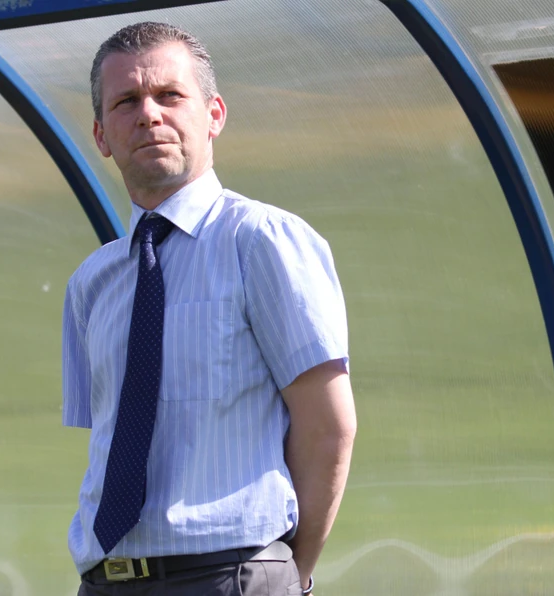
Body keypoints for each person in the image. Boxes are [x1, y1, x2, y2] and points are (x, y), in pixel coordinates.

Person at [62, 21, 356, 596]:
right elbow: (107, 448)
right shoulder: (91, 282)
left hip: (231, 575)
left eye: (170, 95)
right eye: (126, 102)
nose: (149, 114)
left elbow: (328, 426)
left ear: (214, 114)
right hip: (106, 581)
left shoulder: (263, 241)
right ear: (101, 135)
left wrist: (290, 577)